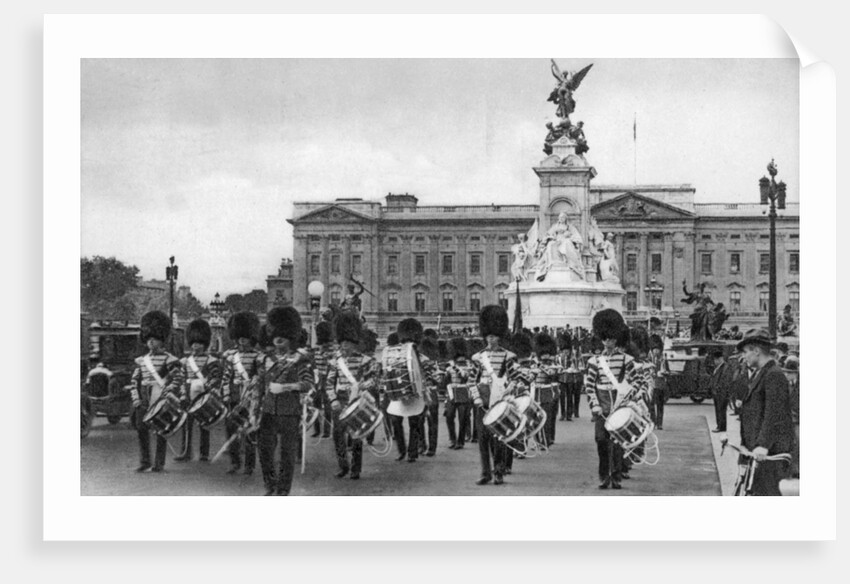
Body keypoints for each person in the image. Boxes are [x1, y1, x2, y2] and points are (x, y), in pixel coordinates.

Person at [253, 307, 314, 496]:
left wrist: (287, 387)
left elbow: (308, 384)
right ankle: (270, 484)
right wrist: (254, 410)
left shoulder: (300, 360)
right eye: (276, 334)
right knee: (265, 452)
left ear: (291, 336)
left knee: (287, 454)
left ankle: (283, 489)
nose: (278, 338)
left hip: (289, 411)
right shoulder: (264, 359)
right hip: (268, 410)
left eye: (283, 335)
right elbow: (259, 386)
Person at [727, 329, 794, 496]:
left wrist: (763, 445)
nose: (743, 357)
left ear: (756, 351)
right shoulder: (763, 373)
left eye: (745, 352)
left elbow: (774, 413)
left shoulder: (773, 375)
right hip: (758, 451)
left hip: (769, 453)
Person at [584, 309, 641, 490]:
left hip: (619, 406)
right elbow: (590, 386)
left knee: (617, 443)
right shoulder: (594, 361)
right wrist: (595, 405)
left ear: (616, 339)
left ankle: (615, 476)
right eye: (605, 338)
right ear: (602, 339)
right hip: (602, 407)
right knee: (601, 441)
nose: (608, 342)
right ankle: (604, 476)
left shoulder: (626, 360)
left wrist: (628, 399)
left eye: (611, 338)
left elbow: (637, 382)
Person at [470, 305, 522, 486]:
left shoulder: (508, 356)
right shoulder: (478, 357)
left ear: (499, 336)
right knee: (483, 440)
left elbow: (516, 378)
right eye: (489, 336)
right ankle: (485, 473)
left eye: (494, 336)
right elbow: (471, 380)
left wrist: (509, 390)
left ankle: (498, 471)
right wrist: (476, 397)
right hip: (482, 400)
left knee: (498, 439)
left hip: (499, 400)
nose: (491, 339)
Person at [129, 311, 185, 472]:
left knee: (161, 429)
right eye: (148, 339)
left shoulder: (169, 359)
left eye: (154, 339)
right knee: (141, 428)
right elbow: (134, 381)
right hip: (144, 396)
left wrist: (170, 390)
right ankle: (145, 461)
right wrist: (136, 398)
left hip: (160, 396)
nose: (151, 342)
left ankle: (159, 463)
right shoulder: (142, 361)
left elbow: (178, 378)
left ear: (162, 340)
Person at [326, 312, 380, 480]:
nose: (344, 346)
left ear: (354, 343)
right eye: (342, 343)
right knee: (337, 434)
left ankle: (356, 468)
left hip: (357, 400)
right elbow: (329, 383)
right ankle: (343, 465)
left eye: (347, 343)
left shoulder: (365, 360)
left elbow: (374, 379)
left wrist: (364, 385)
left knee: (356, 435)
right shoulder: (335, 362)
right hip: (341, 399)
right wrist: (333, 399)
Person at [221, 311, 264, 476]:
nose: (242, 340)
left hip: (250, 396)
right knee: (231, 429)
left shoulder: (258, 357)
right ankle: (235, 462)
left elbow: (260, 377)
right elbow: (226, 378)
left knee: (249, 430)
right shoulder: (231, 357)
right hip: (234, 395)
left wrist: (255, 388)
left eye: (245, 337)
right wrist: (226, 395)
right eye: (239, 337)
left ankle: (249, 465)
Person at [174, 319, 222, 463]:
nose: (196, 346)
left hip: (203, 394)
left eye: (199, 343)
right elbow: (182, 379)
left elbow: (215, 378)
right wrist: (183, 394)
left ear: (204, 344)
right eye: (194, 343)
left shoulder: (211, 360)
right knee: (186, 425)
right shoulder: (185, 361)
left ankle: (204, 453)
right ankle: (186, 452)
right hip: (189, 394)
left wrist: (208, 389)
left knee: (204, 424)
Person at [383, 318, 427, 462]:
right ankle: (401, 450)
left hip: (416, 394)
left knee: (415, 423)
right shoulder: (395, 355)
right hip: (399, 393)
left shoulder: (422, 358)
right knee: (396, 421)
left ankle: (412, 452)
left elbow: (427, 375)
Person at [444, 337, 475, 450]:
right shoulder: (449, 365)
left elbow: (467, 377)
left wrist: (456, 369)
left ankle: (460, 441)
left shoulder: (469, 364)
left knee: (463, 419)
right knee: (449, 416)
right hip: (452, 393)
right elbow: (446, 381)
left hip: (463, 392)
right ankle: (452, 439)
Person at [532, 333, 560, 446]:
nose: (545, 356)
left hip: (548, 393)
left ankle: (547, 439)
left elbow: (555, 374)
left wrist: (550, 370)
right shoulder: (534, 363)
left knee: (548, 417)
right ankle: (537, 440)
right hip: (535, 393)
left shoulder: (553, 364)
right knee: (535, 418)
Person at [310, 321, 335, 439]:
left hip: (327, 379)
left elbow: (332, 365)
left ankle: (327, 430)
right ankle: (317, 430)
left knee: (327, 406)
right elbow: (313, 363)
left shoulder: (331, 350)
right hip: (317, 379)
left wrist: (326, 355)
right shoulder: (316, 349)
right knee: (316, 405)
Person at [709, 349, 734, 433]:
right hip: (717, 392)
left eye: (715, 359)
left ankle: (721, 427)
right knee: (718, 409)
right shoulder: (719, 367)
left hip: (722, 393)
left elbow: (725, 381)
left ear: (720, 359)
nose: (714, 361)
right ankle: (719, 425)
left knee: (721, 410)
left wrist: (719, 388)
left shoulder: (725, 368)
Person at [648, 334, 666, 430]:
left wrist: (663, 372)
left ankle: (659, 423)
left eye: (658, 349)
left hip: (660, 384)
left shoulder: (663, 358)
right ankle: (653, 421)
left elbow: (666, 369)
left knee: (660, 404)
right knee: (651, 404)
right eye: (654, 349)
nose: (656, 351)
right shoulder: (649, 357)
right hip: (651, 384)